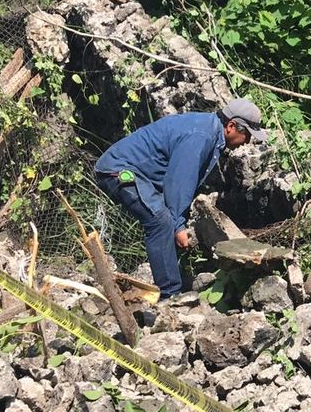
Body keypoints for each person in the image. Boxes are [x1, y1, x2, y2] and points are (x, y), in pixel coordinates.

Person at [94, 99, 266, 299]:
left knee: (165, 221)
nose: (246, 142)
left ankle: (173, 281)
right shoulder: (201, 136)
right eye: (246, 135)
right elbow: (179, 182)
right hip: (118, 170)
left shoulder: (209, 131)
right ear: (231, 126)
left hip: (137, 174)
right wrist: (178, 225)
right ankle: (170, 296)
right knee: (160, 222)